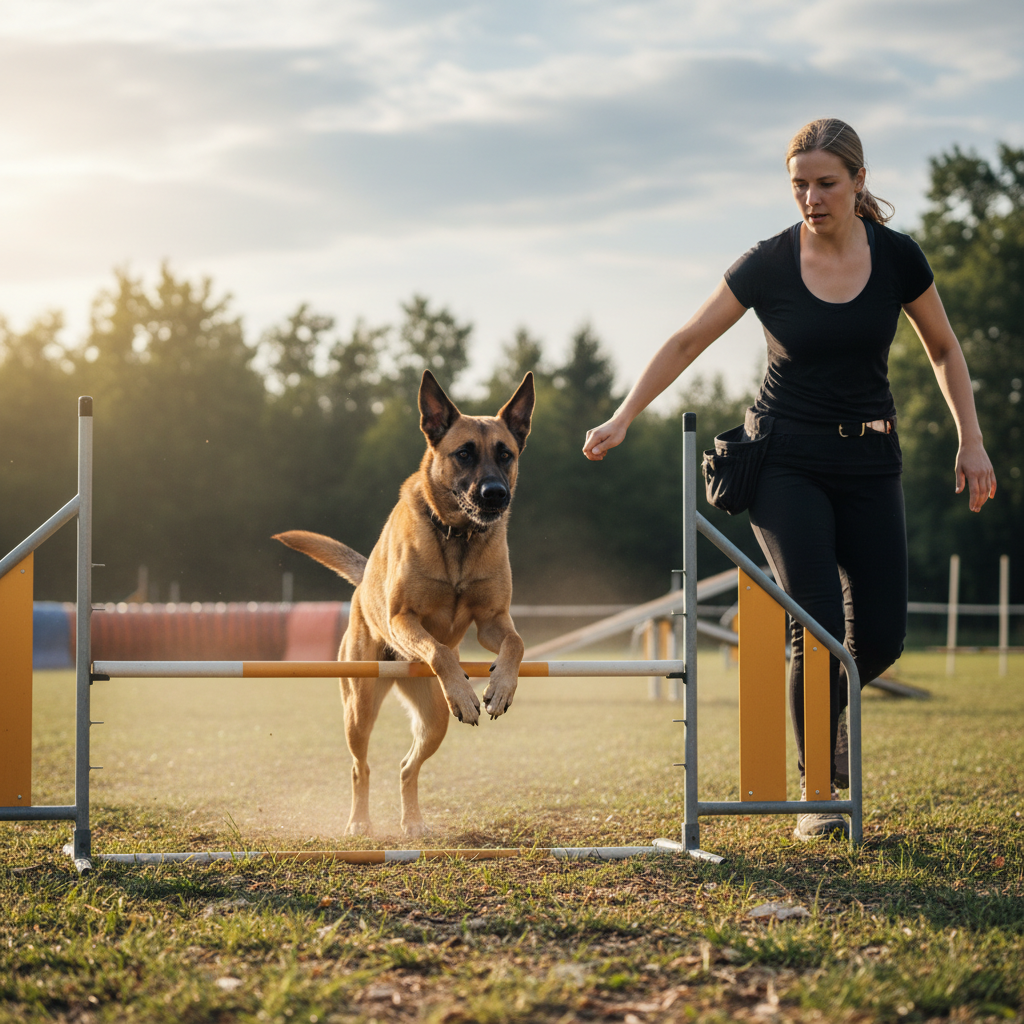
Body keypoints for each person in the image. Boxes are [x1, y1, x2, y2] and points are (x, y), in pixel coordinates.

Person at [582, 118, 997, 841]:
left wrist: (972, 440)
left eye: (826, 183)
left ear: (860, 182)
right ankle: (816, 799)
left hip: (871, 461)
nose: (811, 197)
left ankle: (825, 715)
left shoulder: (898, 257)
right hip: (784, 463)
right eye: (799, 184)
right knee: (816, 623)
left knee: (886, 636)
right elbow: (687, 339)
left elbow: (943, 347)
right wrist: (623, 417)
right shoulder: (769, 263)